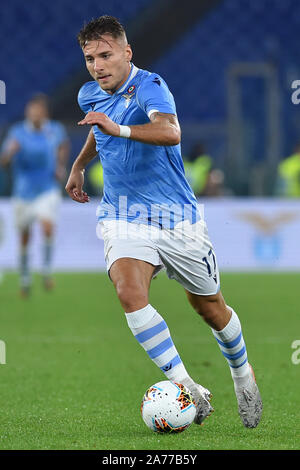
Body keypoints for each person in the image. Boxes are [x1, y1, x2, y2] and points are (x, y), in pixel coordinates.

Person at [65, 15, 262, 428]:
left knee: (209, 307)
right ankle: (187, 385)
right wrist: (80, 165)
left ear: (126, 52)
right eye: (89, 59)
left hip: (177, 219)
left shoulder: (150, 86)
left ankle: (243, 375)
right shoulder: (90, 94)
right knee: (128, 291)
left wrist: (116, 127)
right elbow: (96, 128)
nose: (97, 66)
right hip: (124, 217)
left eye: (105, 56)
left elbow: (170, 132)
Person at [0, 94, 69, 296]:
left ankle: (46, 271)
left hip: (47, 188)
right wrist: (10, 153)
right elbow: (3, 162)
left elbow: (63, 144)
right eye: (31, 112)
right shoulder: (18, 132)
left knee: (47, 226)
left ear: (44, 113)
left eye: (38, 112)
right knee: (24, 236)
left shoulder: (54, 129)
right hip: (23, 191)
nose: (34, 115)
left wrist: (61, 166)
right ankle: (25, 278)